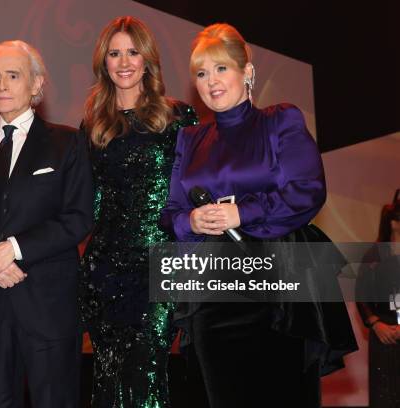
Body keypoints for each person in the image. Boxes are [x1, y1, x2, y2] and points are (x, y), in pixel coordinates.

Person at [161, 23, 356, 407]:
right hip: (212, 290)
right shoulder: (190, 138)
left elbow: (307, 189)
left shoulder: (279, 120)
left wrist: (241, 213)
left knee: (285, 393)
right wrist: (191, 222)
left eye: (221, 69)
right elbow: (170, 212)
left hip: (281, 284)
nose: (211, 81)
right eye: (201, 73)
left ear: (247, 73)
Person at [0, 40, 93, 408]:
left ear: (36, 85)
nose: (2, 86)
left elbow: (78, 218)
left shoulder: (68, 142)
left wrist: (12, 249)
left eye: (13, 75)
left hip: (48, 306)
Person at [78, 16, 197, 407]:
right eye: (114, 53)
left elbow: (194, 193)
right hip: (104, 270)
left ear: (148, 60)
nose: (124, 61)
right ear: (104, 63)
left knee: (146, 375)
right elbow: (86, 204)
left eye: (133, 51)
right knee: (107, 379)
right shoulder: (93, 126)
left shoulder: (178, 118)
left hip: (158, 266)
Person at [356, 191, 400, 407]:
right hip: (382, 331)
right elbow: (361, 295)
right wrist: (376, 323)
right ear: (393, 223)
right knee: (384, 394)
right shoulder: (374, 255)